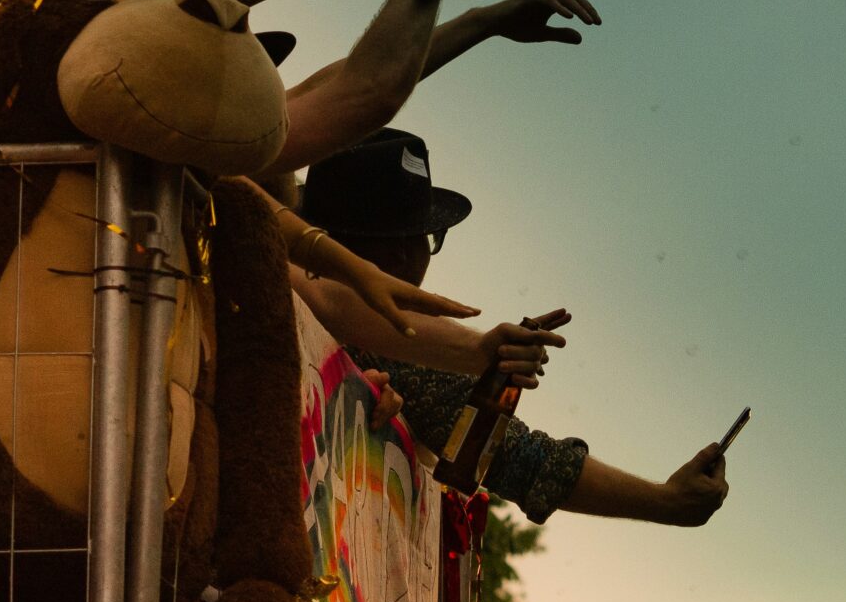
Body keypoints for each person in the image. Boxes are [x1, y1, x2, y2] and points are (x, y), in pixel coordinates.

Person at [293, 128, 733, 528]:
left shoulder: (271, 265)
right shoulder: (382, 338)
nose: (419, 258)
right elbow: (521, 461)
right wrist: (664, 501)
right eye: (423, 237)